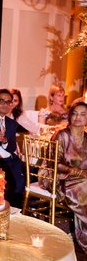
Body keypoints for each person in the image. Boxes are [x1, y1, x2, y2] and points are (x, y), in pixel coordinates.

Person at [50, 101, 87, 252]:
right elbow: (55, 163)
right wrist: (79, 172)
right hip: (61, 178)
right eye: (75, 113)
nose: (78, 117)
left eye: (83, 114)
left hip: (83, 179)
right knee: (84, 186)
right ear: (70, 116)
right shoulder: (62, 135)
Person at [0, 88, 25, 208]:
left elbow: (12, 146)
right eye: (1, 101)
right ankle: (4, 209)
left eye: (8, 102)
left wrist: (4, 141)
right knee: (13, 181)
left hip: (9, 158)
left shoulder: (11, 123)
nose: (5, 105)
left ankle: (16, 212)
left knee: (25, 176)